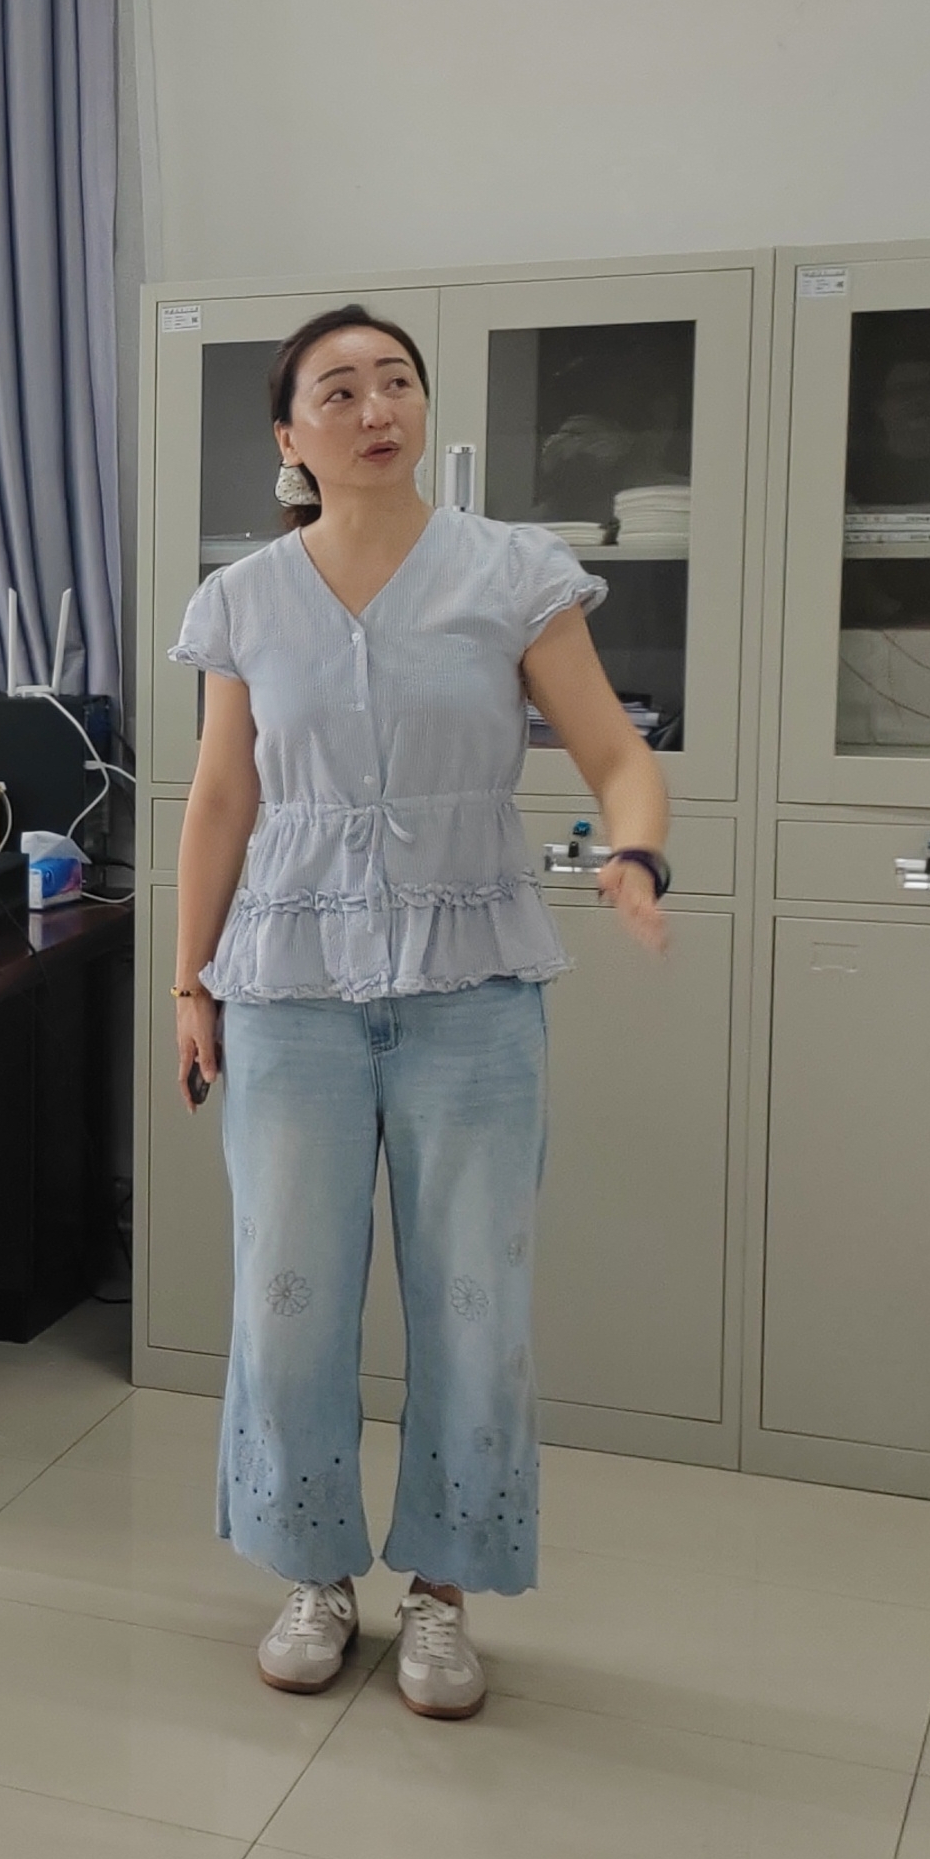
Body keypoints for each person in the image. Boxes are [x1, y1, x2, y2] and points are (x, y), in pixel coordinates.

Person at [171, 304, 671, 1721]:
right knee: (286, 1298)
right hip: (289, 989)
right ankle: (312, 1570)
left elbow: (615, 752)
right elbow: (221, 798)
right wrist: (188, 979)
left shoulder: (510, 574)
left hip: (472, 990)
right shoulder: (244, 599)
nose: (374, 406)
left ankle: (443, 1592)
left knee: (473, 1301)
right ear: (290, 436)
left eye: (395, 381)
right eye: (337, 390)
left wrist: (635, 849)